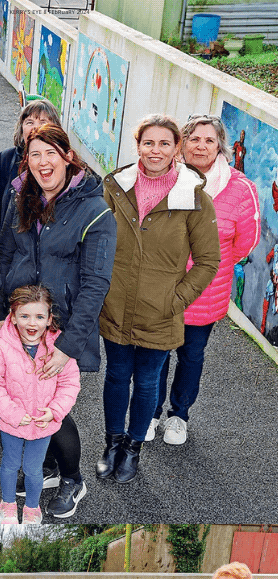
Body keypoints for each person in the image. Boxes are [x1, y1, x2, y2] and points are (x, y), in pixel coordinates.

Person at [0, 123, 116, 517]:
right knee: (16, 398)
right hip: (21, 320)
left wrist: (67, 345)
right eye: (35, 154)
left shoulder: (95, 211)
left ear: (67, 156)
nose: (43, 163)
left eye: (51, 153)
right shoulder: (21, 198)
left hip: (61, 327)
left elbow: (96, 284)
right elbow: (3, 256)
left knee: (53, 409)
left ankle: (73, 479)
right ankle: (43, 466)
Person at [100, 114, 220, 483]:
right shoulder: (114, 187)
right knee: (117, 376)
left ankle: (133, 448)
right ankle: (112, 443)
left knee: (148, 381)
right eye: (148, 142)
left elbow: (208, 260)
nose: (155, 150)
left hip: (161, 311)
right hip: (116, 305)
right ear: (137, 145)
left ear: (176, 149)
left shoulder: (195, 198)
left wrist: (177, 299)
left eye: (164, 143)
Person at [149, 115, 261, 445]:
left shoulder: (241, 189)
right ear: (183, 144)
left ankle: (178, 416)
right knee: (156, 353)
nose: (202, 146)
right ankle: (150, 412)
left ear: (220, 146)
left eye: (209, 140)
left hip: (204, 293)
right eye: (195, 139)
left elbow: (245, 242)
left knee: (191, 356)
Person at [0, 285, 81, 524]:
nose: (31, 323)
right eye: (24, 316)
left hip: (42, 422)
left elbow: (70, 384)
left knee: (34, 469)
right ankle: (7, 504)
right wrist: (10, 412)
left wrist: (55, 411)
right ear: (12, 318)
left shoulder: (59, 349)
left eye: (39, 316)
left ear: (49, 319)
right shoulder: (1, 347)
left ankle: (32, 508)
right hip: (11, 421)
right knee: (11, 464)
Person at [0, 98, 61, 220]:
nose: (36, 128)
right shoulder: (6, 159)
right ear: (22, 128)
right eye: (29, 122)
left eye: (43, 122)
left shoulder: (61, 163)